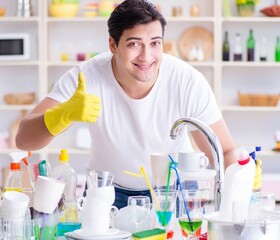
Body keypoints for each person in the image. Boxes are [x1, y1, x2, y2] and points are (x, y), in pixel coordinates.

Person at [16, 0, 259, 209]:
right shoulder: (85, 77)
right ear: (113, 45)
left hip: (172, 195)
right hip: (106, 195)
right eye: (134, 44)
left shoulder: (187, 81)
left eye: (155, 43)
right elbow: (24, 140)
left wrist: (239, 186)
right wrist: (63, 114)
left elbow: (224, 151)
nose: (146, 56)